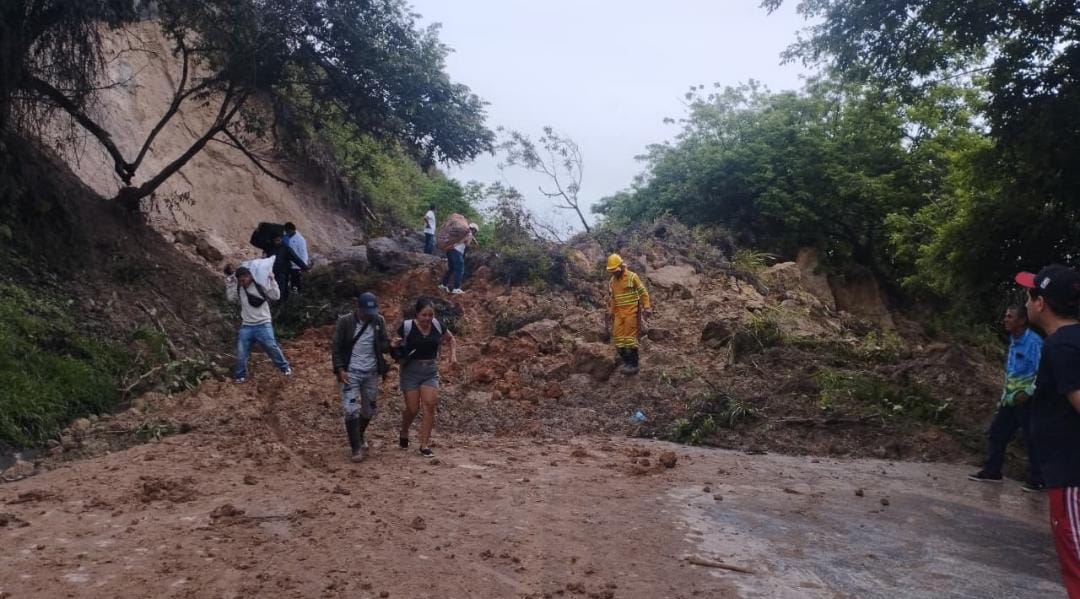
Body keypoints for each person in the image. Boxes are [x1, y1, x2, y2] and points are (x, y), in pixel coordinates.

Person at [1016, 264, 1080, 598]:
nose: (1026, 303)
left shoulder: (1061, 346)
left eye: (1030, 295)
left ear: (1041, 303)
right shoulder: (1072, 341)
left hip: (1071, 476)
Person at [968, 305, 1044, 491]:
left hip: (1027, 399)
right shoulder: (1014, 340)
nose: (1005, 320)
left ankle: (1038, 479)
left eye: (1010, 317)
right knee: (997, 432)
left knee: (1031, 438)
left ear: (1022, 321)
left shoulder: (1033, 343)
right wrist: (1006, 394)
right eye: (1006, 316)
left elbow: (1042, 371)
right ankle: (992, 471)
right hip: (1010, 399)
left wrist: (1029, 392)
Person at [392, 298, 457, 458]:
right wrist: (394, 345)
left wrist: (453, 356)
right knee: (413, 409)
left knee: (429, 406)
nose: (427, 318)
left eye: (430, 315)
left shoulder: (437, 325)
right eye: (424, 315)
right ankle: (404, 430)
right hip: (410, 371)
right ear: (417, 314)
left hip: (430, 371)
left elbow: (451, 339)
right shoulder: (407, 327)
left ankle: (424, 445)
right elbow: (393, 344)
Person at [331, 292, 391, 463]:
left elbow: (384, 345)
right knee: (350, 409)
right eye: (365, 312)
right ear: (358, 308)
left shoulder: (378, 321)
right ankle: (356, 447)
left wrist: (391, 345)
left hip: (371, 372)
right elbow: (335, 347)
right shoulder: (345, 322)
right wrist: (339, 369)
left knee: (369, 409)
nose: (368, 315)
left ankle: (359, 433)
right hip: (351, 372)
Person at [225, 266, 291, 383]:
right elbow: (231, 299)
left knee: (272, 347)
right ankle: (240, 376)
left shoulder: (260, 285)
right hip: (247, 326)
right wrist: (230, 285)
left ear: (249, 276)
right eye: (239, 280)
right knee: (241, 353)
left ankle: (285, 368)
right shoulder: (240, 289)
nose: (242, 282)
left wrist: (272, 280)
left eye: (243, 279)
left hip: (263, 324)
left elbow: (276, 296)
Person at [606, 254, 652, 375]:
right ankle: (626, 362)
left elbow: (643, 292)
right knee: (618, 338)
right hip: (618, 313)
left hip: (631, 312)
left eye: (615, 271)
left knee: (630, 339)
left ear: (621, 266)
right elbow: (613, 298)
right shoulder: (612, 281)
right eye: (612, 271)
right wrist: (611, 311)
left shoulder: (632, 277)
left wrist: (647, 307)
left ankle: (634, 364)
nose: (614, 273)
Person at [439, 222, 478, 295]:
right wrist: (471, 245)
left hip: (450, 250)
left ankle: (443, 285)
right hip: (457, 252)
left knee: (451, 269)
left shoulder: (463, 233)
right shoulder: (469, 234)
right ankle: (456, 288)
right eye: (475, 232)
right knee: (460, 269)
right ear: (474, 230)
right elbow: (467, 244)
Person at [270, 233, 308, 304]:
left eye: (278, 240)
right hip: (273, 274)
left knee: (283, 290)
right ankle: (277, 305)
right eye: (275, 240)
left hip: (283, 273)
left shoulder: (286, 248)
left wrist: (305, 268)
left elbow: (296, 258)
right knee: (275, 291)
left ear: (281, 239)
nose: (277, 242)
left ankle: (282, 306)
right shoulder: (271, 249)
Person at [284, 222, 309, 295]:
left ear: (292, 230)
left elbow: (303, 254)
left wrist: (303, 266)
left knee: (296, 283)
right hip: (288, 265)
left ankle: (298, 296)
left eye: (288, 231)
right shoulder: (286, 237)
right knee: (288, 283)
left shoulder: (300, 240)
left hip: (297, 265)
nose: (286, 233)